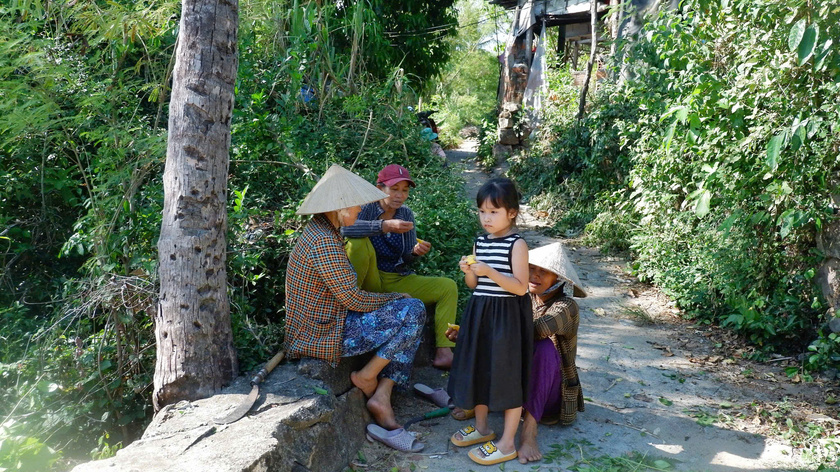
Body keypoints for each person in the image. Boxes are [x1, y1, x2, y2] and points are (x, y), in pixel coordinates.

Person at [285, 164, 426, 430]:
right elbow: (353, 300)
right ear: (340, 208)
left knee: (409, 310)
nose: (361, 211)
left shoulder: (324, 232)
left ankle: (382, 394)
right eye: (357, 206)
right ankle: (368, 376)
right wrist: (394, 297)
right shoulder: (323, 242)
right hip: (321, 333)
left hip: (329, 320)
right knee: (413, 310)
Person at [447, 177, 533, 466]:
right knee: (479, 368)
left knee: (507, 376)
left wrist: (489, 271)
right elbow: (474, 285)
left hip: (507, 317)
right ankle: (483, 428)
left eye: (494, 212)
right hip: (480, 312)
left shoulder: (517, 244)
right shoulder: (480, 241)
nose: (487, 218)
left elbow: (521, 287)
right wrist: (469, 271)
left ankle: (507, 442)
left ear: (512, 213)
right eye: (482, 211)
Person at [341, 164, 458, 369]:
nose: (400, 195)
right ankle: (351, 304)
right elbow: (346, 229)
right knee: (358, 243)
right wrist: (383, 226)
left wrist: (414, 252)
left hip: (397, 277)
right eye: (394, 189)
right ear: (379, 188)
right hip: (371, 278)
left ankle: (444, 351)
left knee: (447, 286)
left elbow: (405, 256)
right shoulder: (365, 208)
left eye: (405, 190)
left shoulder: (405, 214)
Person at [517, 242, 586, 464]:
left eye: (543, 272)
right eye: (532, 268)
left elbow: (541, 329)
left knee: (545, 347)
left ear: (558, 279)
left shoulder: (566, 306)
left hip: (551, 394)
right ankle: (476, 403)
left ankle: (530, 430)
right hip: (520, 385)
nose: (534, 276)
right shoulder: (523, 297)